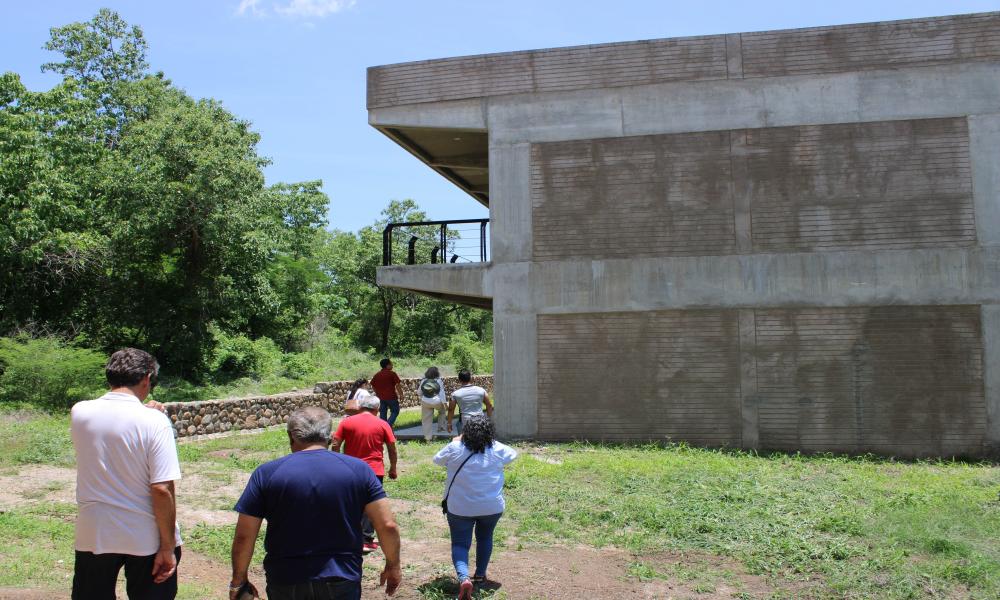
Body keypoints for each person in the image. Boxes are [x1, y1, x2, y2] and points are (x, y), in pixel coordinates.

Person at [230, 406, 401, 600]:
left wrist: (238, 580)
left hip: (286, 578)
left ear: (291, 436)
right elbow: (387, 525)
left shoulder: (267, 473)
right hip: (341, 576)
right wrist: (393, 565)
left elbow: (244, 535)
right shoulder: (359, 470)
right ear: (329, 436)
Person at [70, 347, 183, 600]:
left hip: (94, 531)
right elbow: (161, 488)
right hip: (144, 534)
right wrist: (167, 546)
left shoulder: (80, 412)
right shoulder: (154, 421)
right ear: (146, 378)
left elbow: (116, 424)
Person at [434, 415, 517, 600]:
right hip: (491, 507)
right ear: (489, 433)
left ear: (465, 432)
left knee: (460, 543)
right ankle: (480, 576)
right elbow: (513, 455)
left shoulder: (455, 447)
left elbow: (437, 460)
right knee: (485, 538)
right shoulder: (497, 448)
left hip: (460, 507)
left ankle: (464, 578)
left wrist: (457, 440)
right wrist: (489, 441)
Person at [333, 395, 398, 553]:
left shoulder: (347, 422)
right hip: (374, 470)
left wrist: (336, 463)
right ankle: (366, 540)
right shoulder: (382, 424)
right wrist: (393, 468)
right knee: (371, 504)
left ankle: (349, 537)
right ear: (376, 409)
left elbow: (335, 444)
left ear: (360, 407)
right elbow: (391, 448)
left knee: (350, 501)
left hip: (349, 470)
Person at [447, 370, 493, 434]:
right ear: (471, 378)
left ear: (459, 380)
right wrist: (489, 420)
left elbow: (451, 409)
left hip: (465, 421)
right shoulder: (481, 390)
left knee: (465, 441)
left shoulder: (455, 394)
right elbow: (489, 405)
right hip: (480, 420)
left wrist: (449, 424)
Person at [370, 358, 405, 426]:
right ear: (387, 365)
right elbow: (397, 385)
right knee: (395, 411)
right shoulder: (392, 374)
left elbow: (373, 385)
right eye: (391, 364)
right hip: (391, 397)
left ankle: (383, 429)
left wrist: (377, 393)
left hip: (380, 398)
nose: (392, 365)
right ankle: (387, 426)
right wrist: (401, 395)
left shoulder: (377, 374)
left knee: (383, 413)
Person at [418, 366, 447, 442]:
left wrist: (423, 398)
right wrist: (445, 403)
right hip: (437, 401)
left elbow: (419, 393)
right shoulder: (438, 380)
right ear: (437, 373)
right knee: (442, 411)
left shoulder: (424, 380)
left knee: (426, 420)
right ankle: (441, 427)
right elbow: (442, 393)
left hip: (425, 401)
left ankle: (428, 438)